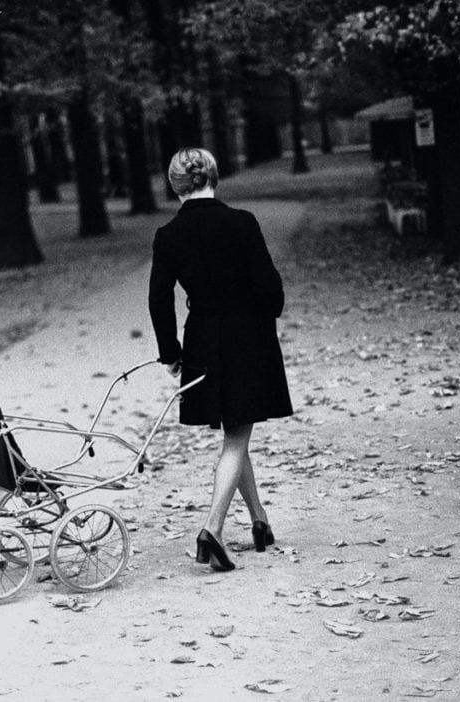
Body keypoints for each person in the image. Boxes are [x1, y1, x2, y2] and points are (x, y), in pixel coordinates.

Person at [148, 147, 293, 572]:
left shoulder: (168, 234)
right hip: (247, 336)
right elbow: (268, 285)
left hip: (203, 339)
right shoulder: (241, 222)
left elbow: (159, 299)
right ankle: (211, 529)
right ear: (214, 175)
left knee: (236, 431)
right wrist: (271, 307)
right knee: (237, 437)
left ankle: (259, 521)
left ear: (175, 185)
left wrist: (170, 353)